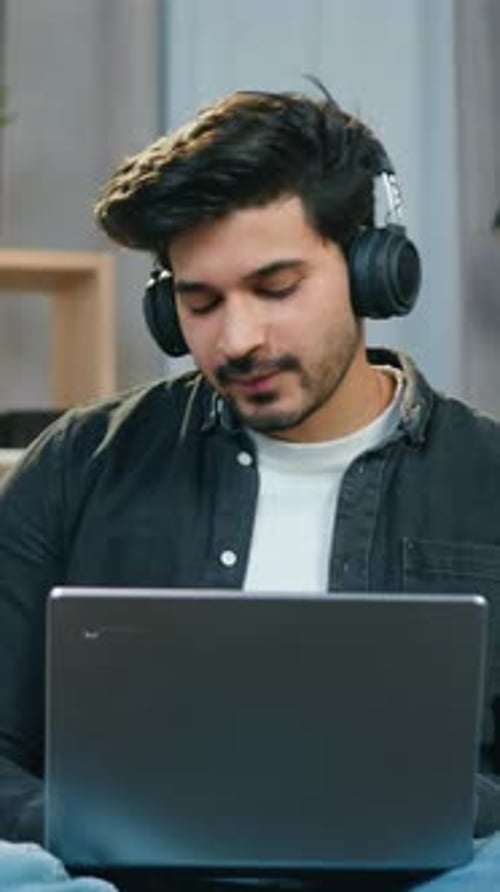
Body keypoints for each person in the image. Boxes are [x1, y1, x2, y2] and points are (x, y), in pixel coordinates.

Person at [1, 81, 500, 890]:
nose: (238, 339)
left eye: (277, 289)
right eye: (200, 303)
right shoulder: (77, 465)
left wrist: (424, 810)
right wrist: (107, 823)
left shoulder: (485, 478)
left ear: (374, 270)